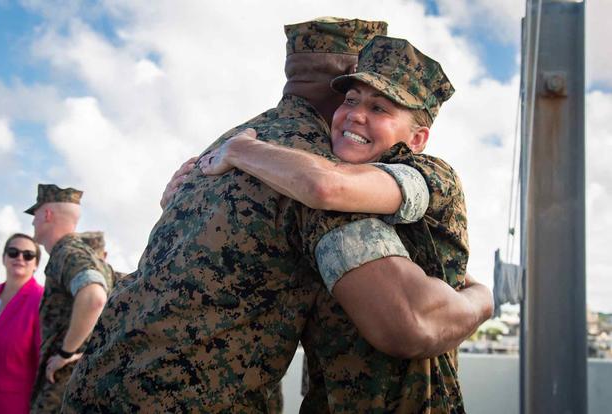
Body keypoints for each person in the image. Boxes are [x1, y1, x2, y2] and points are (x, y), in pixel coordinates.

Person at [63, 19, 491, 413]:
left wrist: (479, 295)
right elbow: (407, 322)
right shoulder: (301, 164)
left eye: (381, 106)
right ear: (341, 80)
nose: (357, 112)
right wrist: (481, 301)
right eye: (352, 95)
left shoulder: (236, 143)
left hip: (96, 386)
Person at [25, 184, 114, 413]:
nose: (33, 222)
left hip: (62, 387)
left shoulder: (66, 252)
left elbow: (94, 296)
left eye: (34, 215)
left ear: (46, 214)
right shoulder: (87, 255)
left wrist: (65, 353)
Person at [0, 234, 44, 414]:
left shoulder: (41, 300)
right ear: (4, 258)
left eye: (28, 255)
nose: (20, 258)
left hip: (12, 406)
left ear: (36, 264)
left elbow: (43, 363)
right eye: (13, 252)